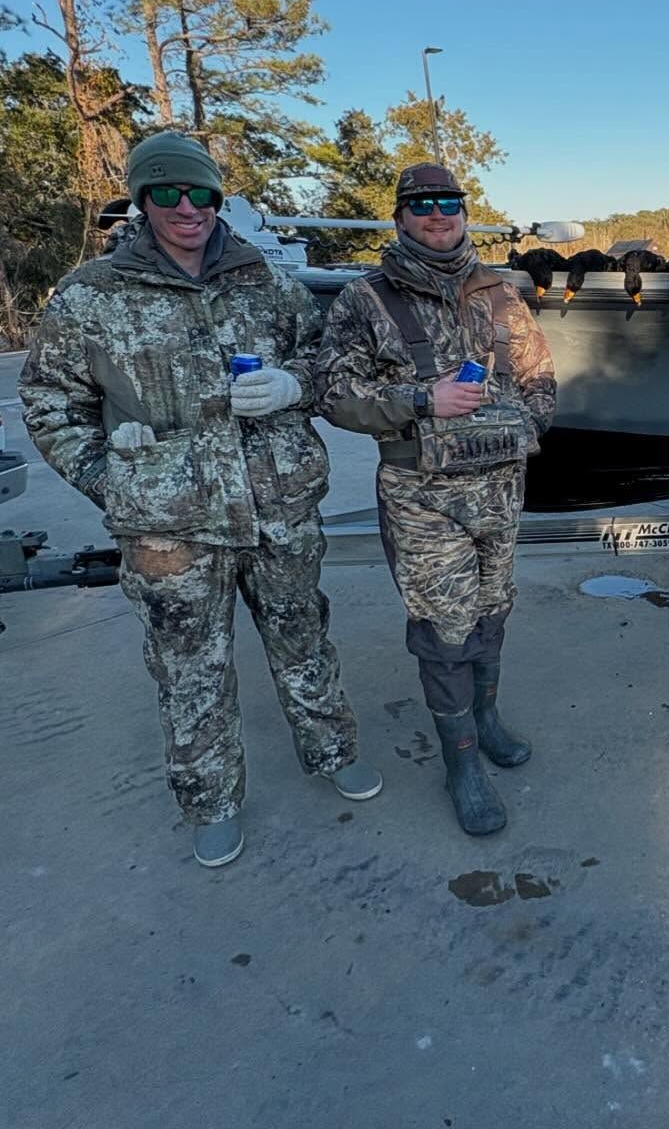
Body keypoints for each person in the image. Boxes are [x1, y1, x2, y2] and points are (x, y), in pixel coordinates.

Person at [19, 131, 381, 869]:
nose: (186, 207)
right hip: (169, 526)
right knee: (189, 668)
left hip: (277, 505)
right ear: (140, 200)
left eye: (201, 193)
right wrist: (110, 478)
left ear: (219, 197)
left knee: (303, 637)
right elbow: (50, 402)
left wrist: (296, 385)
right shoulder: (92, 294)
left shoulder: (267, 282)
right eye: (166, 193)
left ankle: (332, 750)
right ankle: (210, 801)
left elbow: (325, 362)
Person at [316, 163, 556, 836]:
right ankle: (462, 763)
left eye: (448, 202)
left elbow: (539, 374)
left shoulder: (503, 293)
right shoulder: (365, 299)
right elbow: (331, 394)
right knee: (445, 633)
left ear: (463, 211)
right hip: (423, 499)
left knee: (494, 611)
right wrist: (423, 400)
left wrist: (523, 423)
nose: (437, 213)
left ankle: (487, 719)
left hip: (501, 489)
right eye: (421, 204)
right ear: (399, 217)